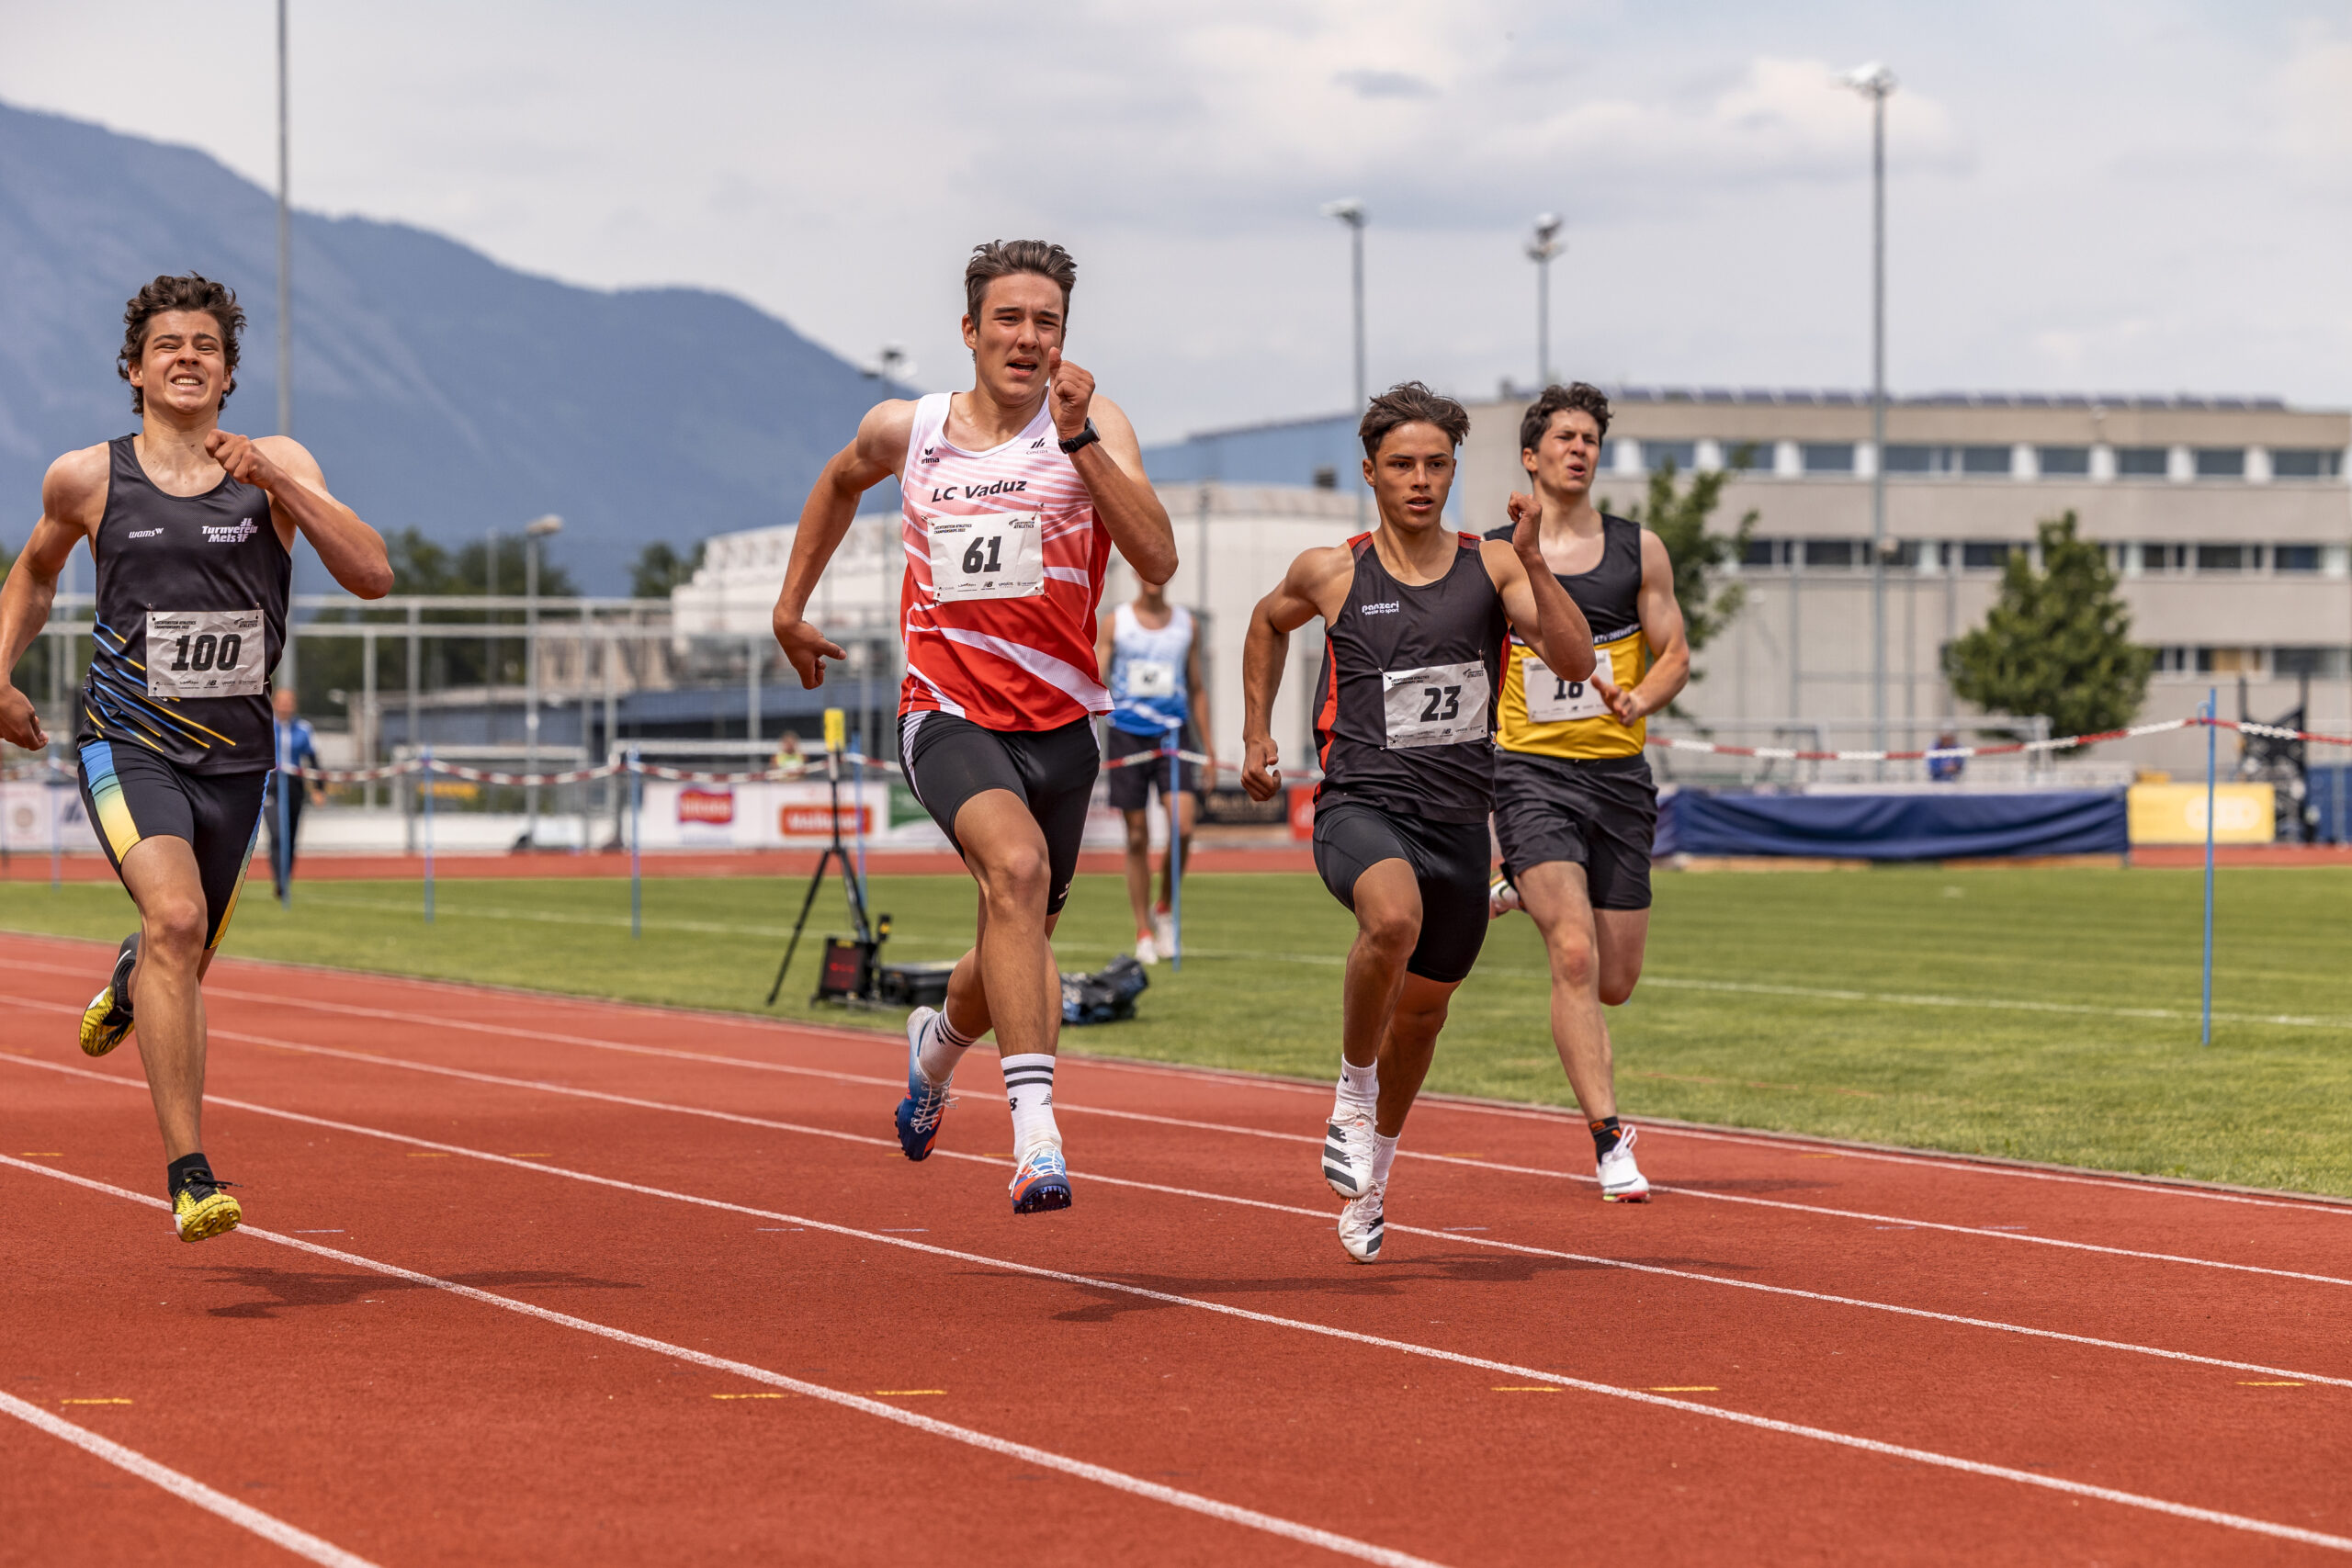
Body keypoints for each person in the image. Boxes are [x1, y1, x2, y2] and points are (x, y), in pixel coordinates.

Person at [772, 241, 1175, 1215]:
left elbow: (1157, 557)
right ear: (970, 330)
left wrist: (1079, 442)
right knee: (1017, 872)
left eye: (1046, 322)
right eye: (1009, 318)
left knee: (1014, 939)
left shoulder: (1095, 424)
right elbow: (838, 482)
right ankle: (1036, 1136)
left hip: (1063, 725)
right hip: (946, 711)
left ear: (1063, 337)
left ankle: (935, 1050)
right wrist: (790, 609)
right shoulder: (907, 429)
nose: (1027, 338)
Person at [0, 274, 392, 1242]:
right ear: (134, 370)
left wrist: (279, 484)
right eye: (167, 345)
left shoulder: (277, 464)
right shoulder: (87, 477)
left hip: (237, 761)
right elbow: (36, 575)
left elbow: (373, 574)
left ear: (227, 371)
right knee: (175, 919)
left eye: (205, 346)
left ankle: (132, 977)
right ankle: (190, 1174)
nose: (187, 357)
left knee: (182, 955)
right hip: (128, 742)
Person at [1240, 382, 1594, 1261]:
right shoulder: (1333, 570)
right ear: (1371, 472)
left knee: (1424, 1017)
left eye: (1437, 464)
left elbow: (1575, 660)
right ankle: (1351, 1097)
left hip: (1458, 825)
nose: (1421, 480)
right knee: (1391, 918)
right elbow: (1265, 624)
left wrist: (1535, 561)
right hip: (1360, 808)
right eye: (1402, 464)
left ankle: (1374, 1181)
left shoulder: (1493, 566)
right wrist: (1255, 732)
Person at [1484, 382, 1690, 1202]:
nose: (1579, 449)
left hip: (1618, 779)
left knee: (1614, 979)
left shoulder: (1641, 550)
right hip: (1529, 773)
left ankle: (1518, 883)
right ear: (1530, 457)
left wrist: (1641, 697)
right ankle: (1610, 1141)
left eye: (1590, 439)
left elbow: (1675, 651)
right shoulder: (1497, 555)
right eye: (1565, 437)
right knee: (1572, 953)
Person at [1095, 574, 1214, 964]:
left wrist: (1210, 751)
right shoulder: (1117, 622)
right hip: (1127, 735)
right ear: (1134, 574)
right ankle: (1142, 930)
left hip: (1173, 736)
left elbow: (1196, 687)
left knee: (1183, 827)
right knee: (1136, 837)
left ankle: (1164, 908)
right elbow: (1097, 677)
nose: (1151, 578)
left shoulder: (1186, 624)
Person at [265, 687, 324, 899]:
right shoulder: (264, 725)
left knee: (290, 835)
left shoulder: (304, 728)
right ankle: (279, 880)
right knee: (277, 834)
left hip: (294, 785)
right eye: (282, 701)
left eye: (289, 702)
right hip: (270, 784)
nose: (285, 706)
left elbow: (313, 759)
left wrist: (318, 789)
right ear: (274, 703)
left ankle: (285, 879)